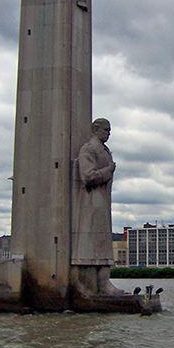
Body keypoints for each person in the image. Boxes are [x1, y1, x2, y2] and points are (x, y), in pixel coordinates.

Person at [71, 118, 124, 296]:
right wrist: (108, 170)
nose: (109, 133)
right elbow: (87, 176)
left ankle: (103, 282)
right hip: (90, 203)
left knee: (102, 241)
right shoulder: (88, 149)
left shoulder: (104, 150)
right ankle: (89, 284)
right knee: (91, 242)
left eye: (110, 130)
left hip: (102, 202)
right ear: (95, 129)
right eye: (106, 130)